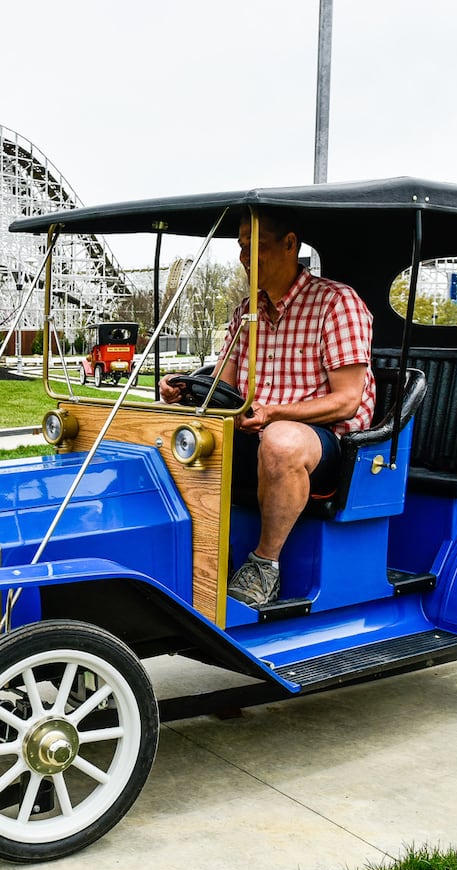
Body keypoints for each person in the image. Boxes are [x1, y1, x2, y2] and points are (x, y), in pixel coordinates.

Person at [159, 208, 375, 607]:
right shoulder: (247, 311)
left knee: (280, 441)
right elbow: (222, 385)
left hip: (332, 445)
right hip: (255, 434)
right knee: (173, 435)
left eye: (253, 245)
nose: (244, 257)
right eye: (241, 246)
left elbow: (348, 400)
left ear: (290, 244)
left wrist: (275, 413)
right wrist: (182, 389)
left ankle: (264, 567)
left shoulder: (336, 303)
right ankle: (186, 551)